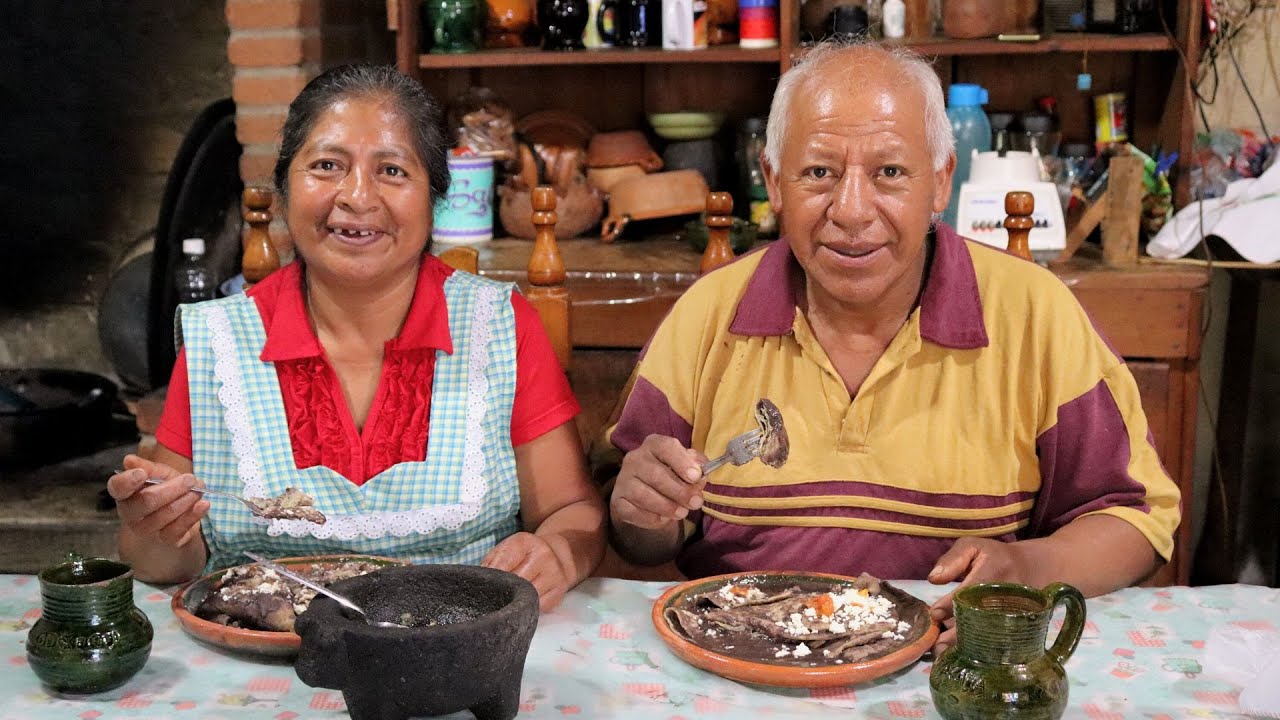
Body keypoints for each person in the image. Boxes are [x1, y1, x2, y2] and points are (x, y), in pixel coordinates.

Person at [596, 41, 1180, 650]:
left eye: (890, 172)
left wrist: (1029, 568)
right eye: (818, 172)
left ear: (941, 180)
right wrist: (640, 513)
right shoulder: (709, 317)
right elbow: (637, 531)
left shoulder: (1032, 316)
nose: (851, 211)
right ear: (773, 179)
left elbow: (1136, 518)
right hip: (745, 666)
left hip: (947, 669)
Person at [107, 64, 605, 612]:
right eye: (326, 166)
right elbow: (165, 564)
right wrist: (153, 529)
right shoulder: (217, 343)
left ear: (434, 196)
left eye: (392, 170)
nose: (356, 197)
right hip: (265, 661)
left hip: (453, 653)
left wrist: (556, 552)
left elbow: (572, 513)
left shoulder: (500, 327)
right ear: (284, 185)